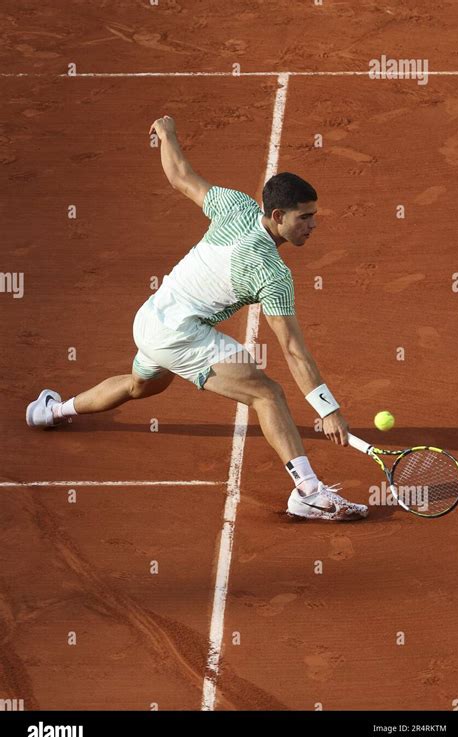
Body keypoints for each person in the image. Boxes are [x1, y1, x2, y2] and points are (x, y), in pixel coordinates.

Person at [26, 115, 368, 522]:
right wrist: (327, 408)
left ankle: (51, 410)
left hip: (150, 318)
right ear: (277, 215)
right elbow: (293, 350)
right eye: (304, 218)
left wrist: (166, 133)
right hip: (179, 335)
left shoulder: (235, 205)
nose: (313, 226)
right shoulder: (271, 273)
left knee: (139, 387)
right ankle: (309, 492)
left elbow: (181, 177)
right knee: (267, 393)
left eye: (314, 216)